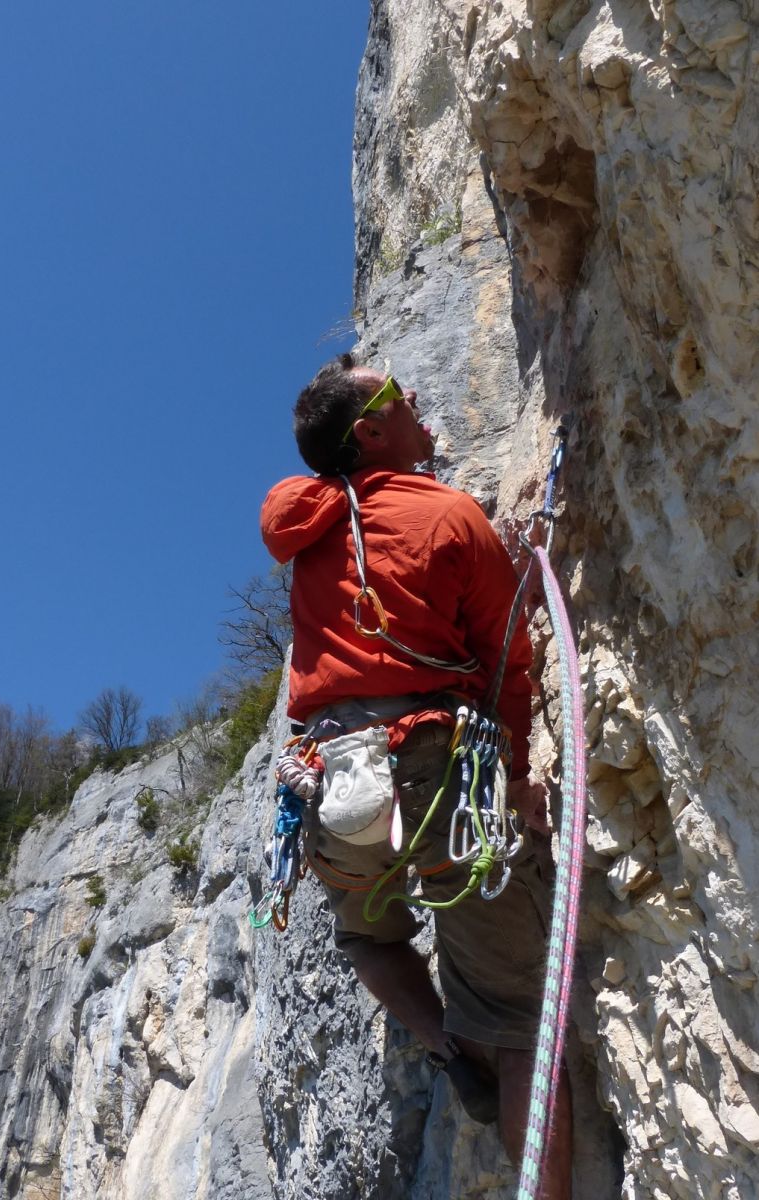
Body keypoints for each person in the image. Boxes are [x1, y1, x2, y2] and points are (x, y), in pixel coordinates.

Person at [261, 353, 572, 1199]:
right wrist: (511, 775)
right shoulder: (442, 512)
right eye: (401, 397)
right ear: (370, 431)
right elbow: (504, 657)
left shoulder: (311, 524)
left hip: (328, 786)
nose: (421, 402)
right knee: (519, 1026)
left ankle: (440, 1043)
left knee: (368, 935)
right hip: (431, 769)